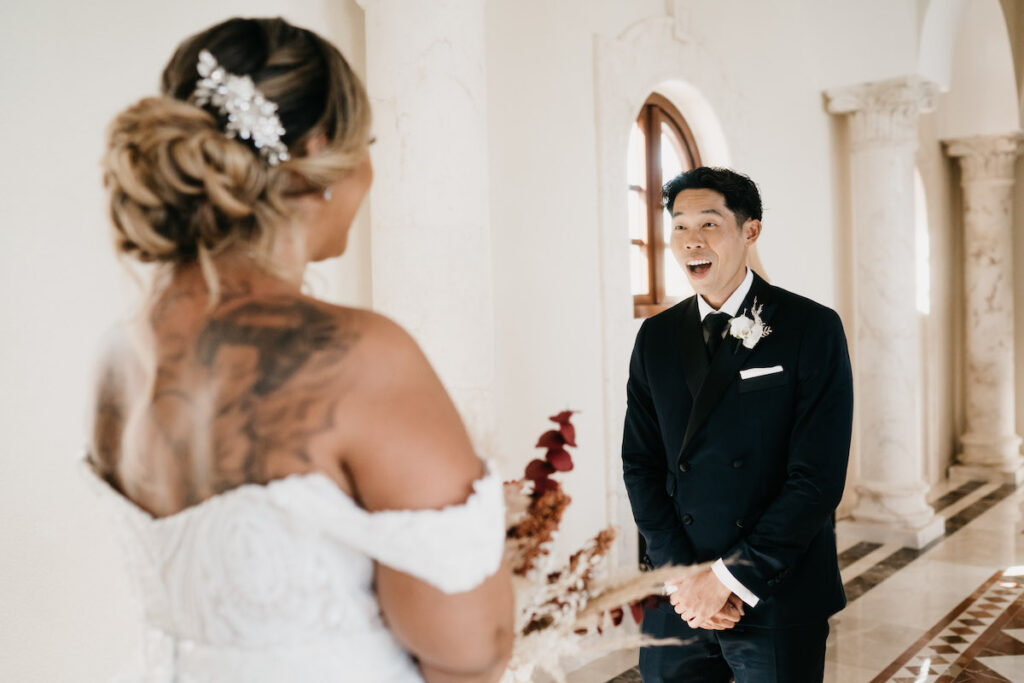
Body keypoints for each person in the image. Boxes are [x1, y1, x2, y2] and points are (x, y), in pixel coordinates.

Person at [84, 17, 513, 683]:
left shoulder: (120, 354)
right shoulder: (358, 357)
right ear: (318, 152)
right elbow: (470, 646)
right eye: (365, 143)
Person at [621, 167, 853, 682]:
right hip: (678, 599)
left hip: (774, 591)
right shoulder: (656, 337)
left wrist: (730, 578)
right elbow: (640, 463)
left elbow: (816, 479)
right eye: (679, 226)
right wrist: (685, 581)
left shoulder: (811, 328)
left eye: (708, 224)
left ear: (750, 231)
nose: (691, 241)